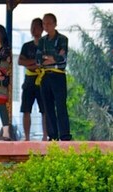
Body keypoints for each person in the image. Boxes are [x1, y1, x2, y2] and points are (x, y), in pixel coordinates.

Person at [36, 13, 72, 141]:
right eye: (44, 23)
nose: (46, 26)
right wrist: (51, 58)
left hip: (58, 75)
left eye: (49, 23)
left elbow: (62, 58)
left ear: (55, 24)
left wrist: (51, 58)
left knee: (61, 105)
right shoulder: (42, 41)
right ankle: (53, 135)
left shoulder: (62, 39)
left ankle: (65, 135)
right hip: (45, 75)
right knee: (48, 106)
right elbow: (38, 59)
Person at [17, 18, 47, 141]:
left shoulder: (46, 45)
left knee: (44, 110)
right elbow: (20, 61)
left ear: (42, 29)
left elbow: (46, 62)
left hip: (43, 79)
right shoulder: (26, 46)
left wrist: (32, 64)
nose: (34, 30)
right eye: (32, 27)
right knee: (26, 109)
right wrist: (36, 62)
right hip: (29, 79)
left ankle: (45, 136)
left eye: (36, 27)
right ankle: (27, 137)